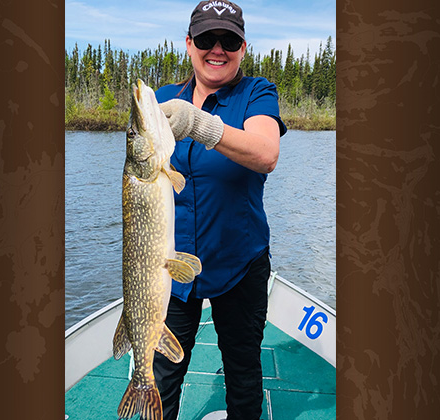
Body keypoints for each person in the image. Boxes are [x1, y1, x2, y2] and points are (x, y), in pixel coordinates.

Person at [153, 1, 287, 419]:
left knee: (242, 373)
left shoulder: (256, 92)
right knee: (162, 374)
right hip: (171, 266)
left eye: (228, 40)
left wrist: (199, 124)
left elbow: (266, 153)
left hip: (238, 264)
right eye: (207, 38)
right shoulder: (162, 100)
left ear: (242, 47)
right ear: (189, 44)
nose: (218, 48)